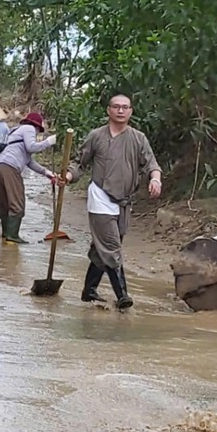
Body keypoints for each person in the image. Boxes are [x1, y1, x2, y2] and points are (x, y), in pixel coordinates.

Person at [65, 94, 161, 310]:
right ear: (108, 110)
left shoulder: (138, 138)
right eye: (116, 107)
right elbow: (79, 162)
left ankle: (89, 291)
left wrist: (155, 179)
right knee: (111, 246)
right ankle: (123, 297)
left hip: (124, 202)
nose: (120, 111)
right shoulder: (96, 136)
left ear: (130, 112)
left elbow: (152, 164)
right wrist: (68, 177)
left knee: (103, 249)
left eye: (125, 107)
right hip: (100, 197)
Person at [0, 112, 57, 244]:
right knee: (17, 202)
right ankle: (13, 236)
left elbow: (29, 161)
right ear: (36, 126)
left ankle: (6, 234)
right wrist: (48, 142)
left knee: (4, 202)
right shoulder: (29, 128)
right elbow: (31, 147)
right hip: (10, 167)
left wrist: (47, 172)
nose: (36, 133)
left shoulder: (15, 132)